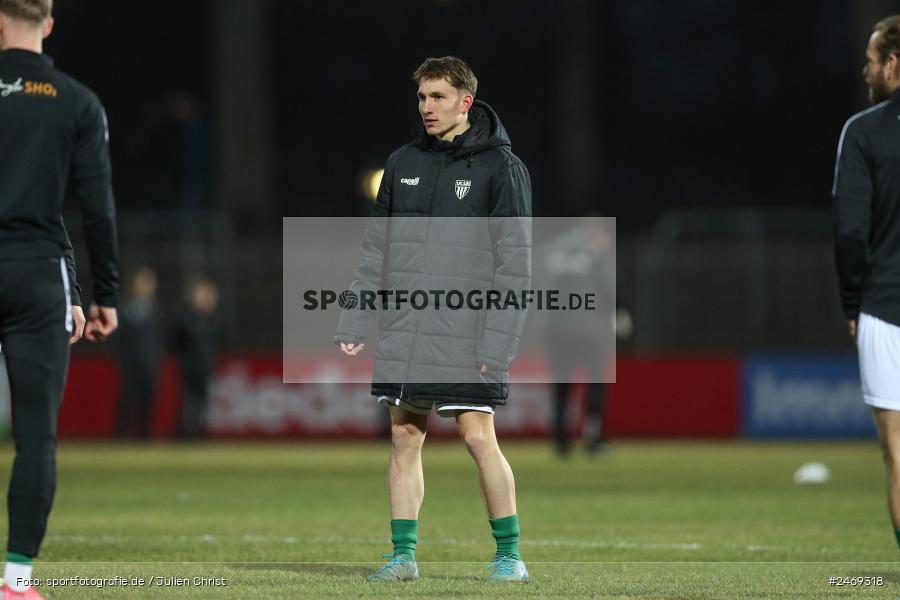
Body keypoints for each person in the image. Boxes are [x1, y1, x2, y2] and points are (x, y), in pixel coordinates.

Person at [336, 56, 532, 583]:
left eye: (438, 97)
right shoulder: (402, 162)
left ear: (465, 102)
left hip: (467, 330)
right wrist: (356, 314)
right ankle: (402, 558)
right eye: (422, 97)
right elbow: (376, 247)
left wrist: (500, 343)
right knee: (404, 438)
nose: (427, 107)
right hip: (407, 327)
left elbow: (516, 263)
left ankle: (509, 556)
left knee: (477, 438)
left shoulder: (501, 167)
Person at [0, 1, 119, 598]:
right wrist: (101, 293)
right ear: (47, 24)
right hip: (38, 274)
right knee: (36, 436)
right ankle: (16, 581)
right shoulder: (74, 100)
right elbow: (94, 208)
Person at [832, 14, 900, 551]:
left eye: (872, 60)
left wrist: (853, 302)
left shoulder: (864, 132)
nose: (866, 69)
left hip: (885, 306)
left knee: (898, 454)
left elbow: (851, 232)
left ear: (893, 66)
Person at [542, 218, 616, 458]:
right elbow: (607, 288)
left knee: (562, 386)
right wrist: (616, 314)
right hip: (589, 330)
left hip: (557, 330)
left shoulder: (556, 253)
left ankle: (560, 440)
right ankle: (593, 439)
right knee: (596, 384)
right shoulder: (596, 254)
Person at [113, 267, 162, 439]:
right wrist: (123, 359)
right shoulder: (126, 309)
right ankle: (120, 434)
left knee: (147, 401)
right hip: (131, 363)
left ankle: (144, 434)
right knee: (127, 400)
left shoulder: (156, 310)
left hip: (149, 363)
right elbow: (118, 338)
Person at [173, 276, 219, 439]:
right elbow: (176, 342)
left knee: (202, 402)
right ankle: (186, 433)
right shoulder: (186, 318)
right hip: (190, 367)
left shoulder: (212, 320)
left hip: (205, 367)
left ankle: (198, 433)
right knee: (189, 402)